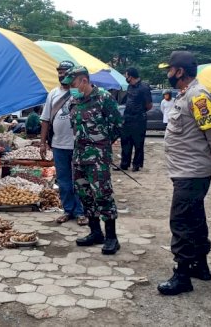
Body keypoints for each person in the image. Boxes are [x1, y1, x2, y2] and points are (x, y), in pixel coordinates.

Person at [156, 51, 211, 295]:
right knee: (195, 219)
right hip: (186, 170)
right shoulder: (185, 94)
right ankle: (200, 266)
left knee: (181, 221)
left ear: (180, 71)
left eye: (170, 69)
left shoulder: (197, 95)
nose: (167, 73)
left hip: (192, 171)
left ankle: (182, 275)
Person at [62, 66, 123, 255]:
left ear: (84, 81)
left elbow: (117, 125)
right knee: (85, 195)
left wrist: (101, 145)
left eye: (72, 84)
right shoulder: (74, 101)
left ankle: (112, 237)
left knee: (102, 195)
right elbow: (74, 128)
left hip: (98, 158)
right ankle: (96, 232)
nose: (70, 88)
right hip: (79, 156)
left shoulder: (103, 98)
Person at [40, 60, 87, 226]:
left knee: (79, 180)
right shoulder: (53, 94)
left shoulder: (79, 93)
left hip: (77, 145)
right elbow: (45, 120)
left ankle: (81, 212)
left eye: (65, 72)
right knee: (64, 181)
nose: (61, 75)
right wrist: (42, 143)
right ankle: (68, 210)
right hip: (58, 145)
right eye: (59, 71)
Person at [119, 67, 152, 172]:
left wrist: (139, 111)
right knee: (125, 141)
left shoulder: (144, 87)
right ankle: (124, 164)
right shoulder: (129, 87)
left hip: (139, 119)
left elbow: (149, 105)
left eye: (126, 75)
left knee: (138, 143)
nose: (125, 77)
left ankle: (136, 165)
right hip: (127, 118)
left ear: (131, 76)